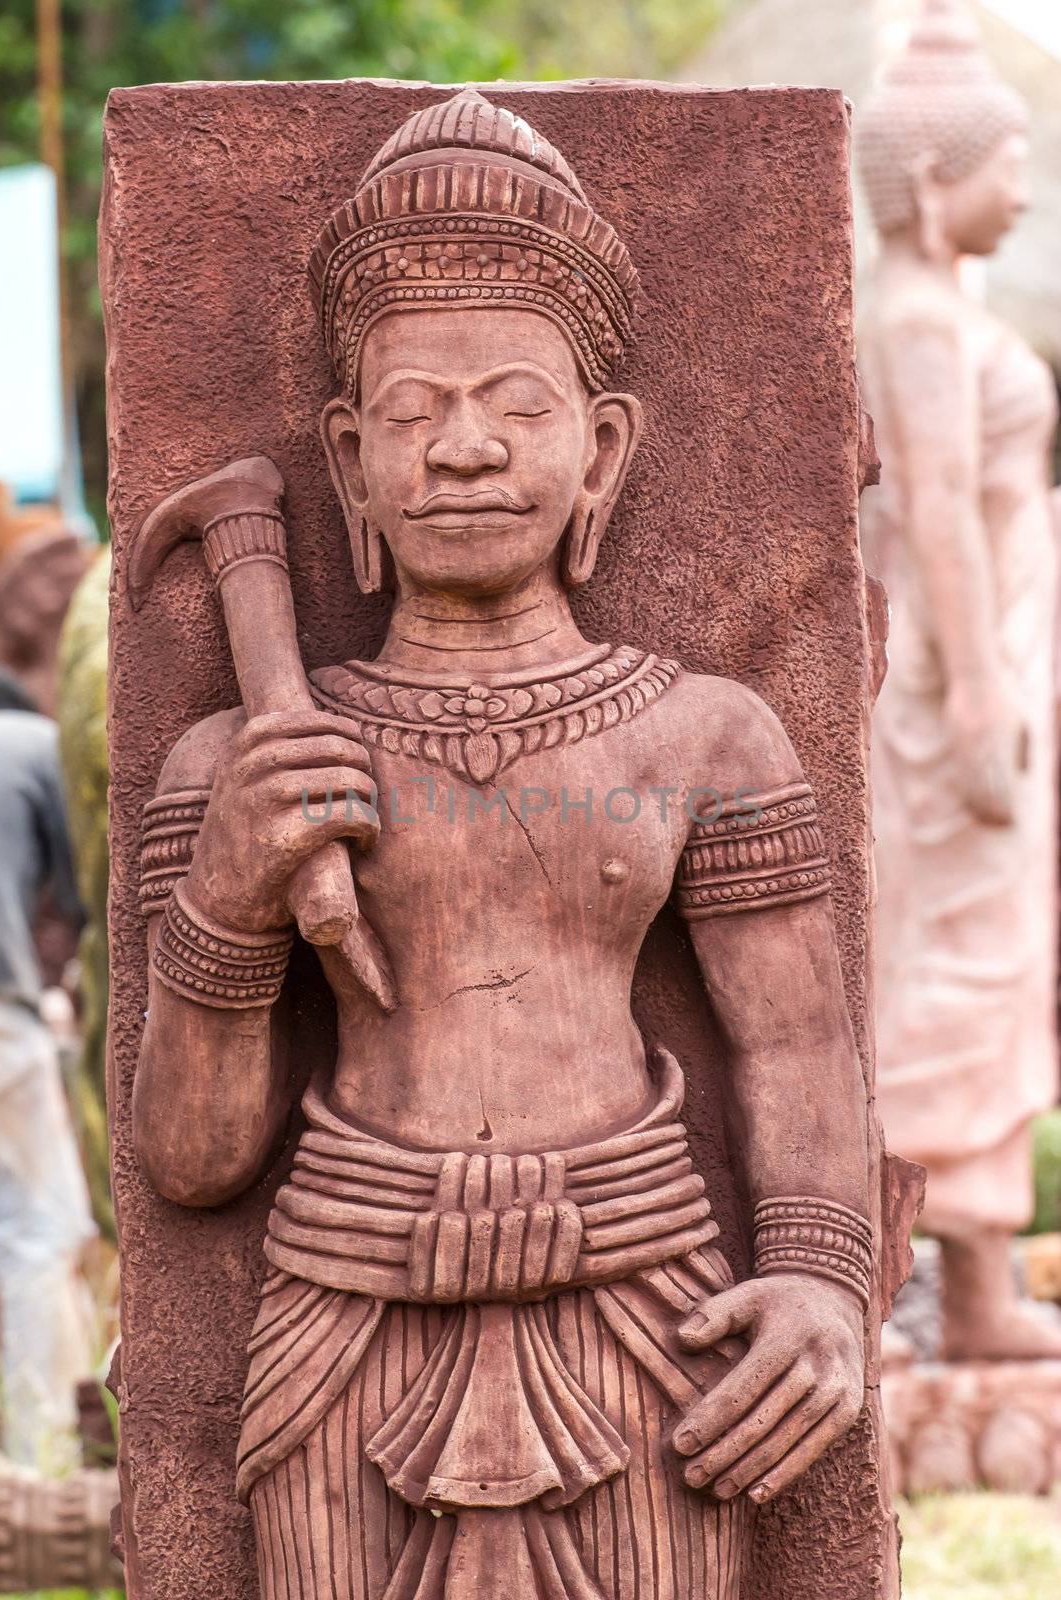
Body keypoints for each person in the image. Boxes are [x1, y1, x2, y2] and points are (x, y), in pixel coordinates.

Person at [133, 92, 872, 1599]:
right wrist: (226, 898)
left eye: (515, 408)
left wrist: (814, 1276)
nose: (462, 451)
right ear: (346, 461)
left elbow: (794, 1047)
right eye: (412, 414)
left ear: (602, 451)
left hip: (646, 1312)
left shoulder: (703, 739)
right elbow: (192, 1165)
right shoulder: (240, 764)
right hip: (346, 1316)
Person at [858, 0, 1061, 1359]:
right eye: (1007, 162)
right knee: (930, 971)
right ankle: (875, 1278)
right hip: (943, 697)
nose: (1026, 185)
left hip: (998, 671)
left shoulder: (943, 313)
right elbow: (931, 508)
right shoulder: (912, 323)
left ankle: (980, 1290)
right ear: (933, 183)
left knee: (993, 964)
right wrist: (980, 697)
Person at [0, 667, 96, 1467]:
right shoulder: (31, 745)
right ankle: (43, 1453)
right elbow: (78, 896)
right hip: (1, 1020)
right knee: (42, 1231)